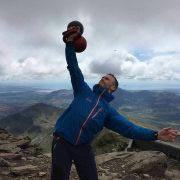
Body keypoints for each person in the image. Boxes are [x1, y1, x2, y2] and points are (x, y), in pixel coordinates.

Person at [51, 29, 178, 180]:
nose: (102, 78)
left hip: (83, 147)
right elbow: (74, 68)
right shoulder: (83, 90)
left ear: (113, 88)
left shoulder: (108, 111)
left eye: (107, 79)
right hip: (62, 142)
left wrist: (155, 134)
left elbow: (129, 129)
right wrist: (70, 43)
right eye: (102, 77)